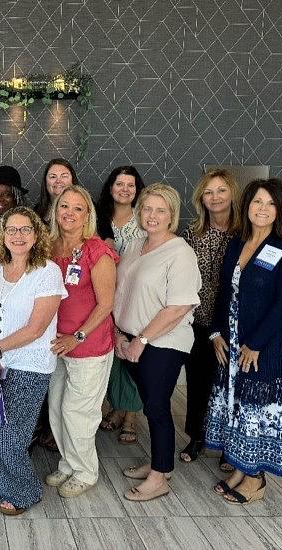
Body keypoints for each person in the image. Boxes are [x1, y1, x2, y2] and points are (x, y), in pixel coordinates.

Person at [205, 178, 282, 505]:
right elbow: (223, 292)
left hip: (260, 348)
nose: (262, 209)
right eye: (257, 202)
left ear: (280, 210)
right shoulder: (236, 243)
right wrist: (216, 332)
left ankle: (255, 480)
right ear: (246, 206)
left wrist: (256, 343)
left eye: (270, 204)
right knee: (235, 408)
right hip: (230, 343)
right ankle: (239, 467)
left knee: (254, 411)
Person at [0, 207, 67, 516]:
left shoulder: (47, 271)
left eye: (25, 229)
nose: (18, 235)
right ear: (1, 234)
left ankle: (24, 491)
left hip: (28, 364)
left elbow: (36, 328)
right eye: (11, 229)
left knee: (7, 434)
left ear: (37, 234)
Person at [113, 183, 201, 502]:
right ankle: (156, 463)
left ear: (172, 216)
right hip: (130, 339)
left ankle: (160, 475)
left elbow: (178, 306)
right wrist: (119, 334)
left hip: (162, 343)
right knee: (150, 404)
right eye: (147, 209)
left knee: (157, 406)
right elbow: (121, 291)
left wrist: (142, 339)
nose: (152, 216)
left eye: (160, 210)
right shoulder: (136, 244)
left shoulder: (180, 253)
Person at [46, 186, 118, 497]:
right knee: (57, 409)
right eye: (64, 206)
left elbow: (106, 304)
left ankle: (86, 472)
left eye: (78, 208)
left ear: (87, 214)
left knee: (79, 413)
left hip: (86, 345)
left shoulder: (96, 251)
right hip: (54, 345)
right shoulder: (48, 247)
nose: (70, 213)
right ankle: (68, 464)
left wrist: (77, 337)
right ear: (55, 210)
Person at [179, 169, 240, 469]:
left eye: (221, 191)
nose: (214, 197)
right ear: (201, 198)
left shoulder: (245, 233)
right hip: (197, 320)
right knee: (198, 381)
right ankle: (197, 436)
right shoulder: (192, 232)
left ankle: (230, 443)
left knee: (230, 384)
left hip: (232, 322)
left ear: (232, 195)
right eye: (208, 192)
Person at [95, 165, 147, 442]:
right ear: (111, 187)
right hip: (104, 294)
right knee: (112, 355)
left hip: (134, 294)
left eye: (131, 185)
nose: (125, 189)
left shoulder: (143, 219)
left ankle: (131, 416)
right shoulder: (99, 217)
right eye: (120, 184)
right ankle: (117, 406)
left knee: (131, 353)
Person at [34, 158, 78, 223]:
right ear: (45, 182)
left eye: (64, 176)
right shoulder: (36, 211)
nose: (58, 181)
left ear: (73, 180)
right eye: (53, 177)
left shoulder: (85, 206)